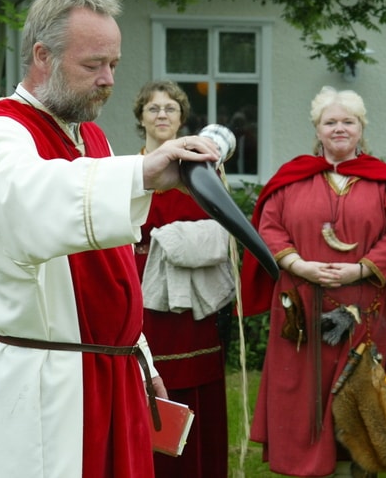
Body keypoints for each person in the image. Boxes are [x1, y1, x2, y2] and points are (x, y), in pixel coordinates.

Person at [0, 0, 219, 477]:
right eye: (93, 65)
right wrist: (139, 173)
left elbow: (110, 269)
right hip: (46, 386)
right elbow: (31, 204)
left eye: (114, 65)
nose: (108, 80)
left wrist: (140, 355)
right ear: (43, 56)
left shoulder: (90, 136)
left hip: (110, 371)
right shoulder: (1, 134)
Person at [240, 86, 386, 477]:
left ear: (362, 128)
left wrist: (360, 269)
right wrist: (300, 265)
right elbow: (269, 226)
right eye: (331, 121)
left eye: (349, 121)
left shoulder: (383, 182)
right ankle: (309, 466)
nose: (340, 128)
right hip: (303, 313)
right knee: (305, 396)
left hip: (365, 313)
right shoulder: (291, 178)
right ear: (317, 128)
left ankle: (360, 465)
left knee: (361, 393)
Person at [132, 80, 231, 477]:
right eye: (153, 108)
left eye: (170, 108)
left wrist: (173, 241)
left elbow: (221, 235)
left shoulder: (202, 175)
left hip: (193, 301)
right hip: (141, 295)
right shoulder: (129, 171)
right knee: (145, 383)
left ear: (182, 119)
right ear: (140, 117)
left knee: (196, 394)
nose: (161, 115)